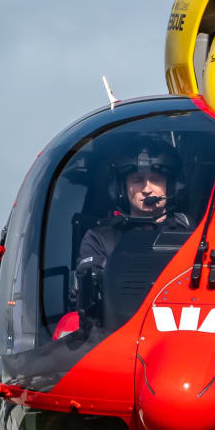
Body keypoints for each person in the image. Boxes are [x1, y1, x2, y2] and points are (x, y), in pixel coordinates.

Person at [53, 141, 189, 339]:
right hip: (117, 336)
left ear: (171, 185)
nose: (147, 189)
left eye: (156, 179)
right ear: (122, 188)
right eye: (137, 180)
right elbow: (88, 293)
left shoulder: (194, 236)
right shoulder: (100, 238)